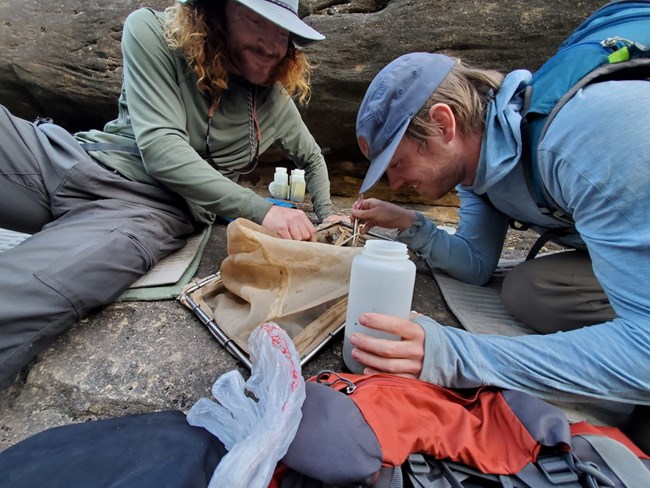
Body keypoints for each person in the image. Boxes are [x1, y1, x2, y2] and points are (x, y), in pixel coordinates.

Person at [0, 0, 340, 386]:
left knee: (30, 290)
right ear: (214, 14)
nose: (271, 44)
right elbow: (161, 148)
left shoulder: (273, 103)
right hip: (74, 158)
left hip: (150, 210)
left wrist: (327, 214)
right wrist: (264, 210)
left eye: (282, 32)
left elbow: (312, 157)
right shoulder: (151, 32)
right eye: (255, 21)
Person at [348, 52, 650, 446]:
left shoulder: (582, 138)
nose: (396, 182)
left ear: (443, 124)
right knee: (528, 288)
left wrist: (459, 355)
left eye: (398, 163)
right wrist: (410, 224)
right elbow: (476, 264)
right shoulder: (482, 175)